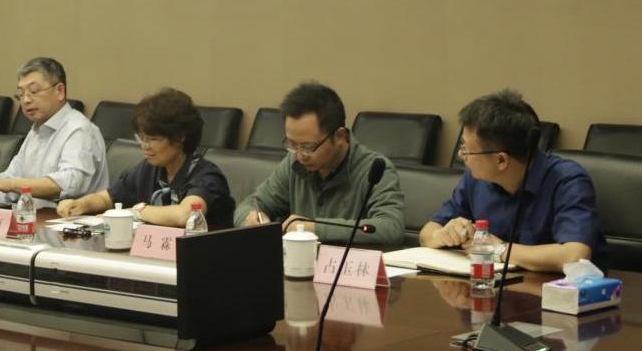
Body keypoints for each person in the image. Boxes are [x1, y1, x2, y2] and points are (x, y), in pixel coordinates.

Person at [420, 89, 606, 272]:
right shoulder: (476, 177)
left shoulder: (567, 180)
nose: (461, 155)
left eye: (466, 149)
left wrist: (499, 249)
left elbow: (575, 256)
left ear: (501, 160)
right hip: (491, 286)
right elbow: (427, 233)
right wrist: (443, 235)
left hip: (555, 289)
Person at [235, 82, 404, 246]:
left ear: (339, 136)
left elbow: (390, 228)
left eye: (308, 147)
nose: (299, 155)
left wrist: (313, 228)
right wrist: (252, 219)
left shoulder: (375, 169)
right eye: (292, 144)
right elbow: (250, 204)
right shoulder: (293, 163)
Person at [0, 57, 107, 208]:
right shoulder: (36, 131)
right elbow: (7, 181)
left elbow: (72, 182)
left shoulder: (79, 130)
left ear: (59, 91)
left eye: (34, 91)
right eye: (21, 94)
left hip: (71, 225)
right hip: (32, 220)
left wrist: (12, 184)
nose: (26, 100)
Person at [57, 88, 234, 228]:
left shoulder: (206, 175)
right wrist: (81, 204)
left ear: (180, 137)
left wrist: (138, 211)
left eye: (153, 139)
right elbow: (107, 198)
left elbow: (185, 215)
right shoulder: (149, 168)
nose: (145, 145)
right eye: (141, 137)